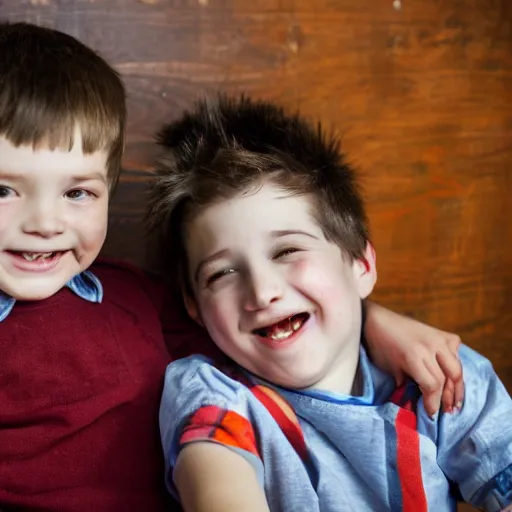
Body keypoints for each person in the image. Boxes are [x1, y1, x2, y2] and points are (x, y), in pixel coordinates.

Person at [0, 21, 463, 511]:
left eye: (77, 193)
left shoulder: (135, 298)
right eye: (4, 189)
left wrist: (377, 321)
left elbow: (254, 314)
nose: (45, 223)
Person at [153, 96, 512, 512]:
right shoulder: (212, 393)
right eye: (222, 274)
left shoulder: (437, 375)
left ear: (361, 264)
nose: (262, 291)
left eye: (287, 251)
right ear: (195, 305)